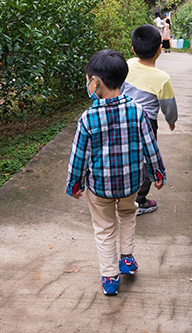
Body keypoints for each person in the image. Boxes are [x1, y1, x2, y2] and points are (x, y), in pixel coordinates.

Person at [66, 49, 166, 296]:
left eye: (88, 79)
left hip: (100, 187)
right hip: (131, 183)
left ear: (96, 82)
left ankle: (110, 277)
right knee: (127, 215)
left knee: (104, 227)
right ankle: (127, 259)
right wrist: (158, 173)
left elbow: (80, 156)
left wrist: (74, 184)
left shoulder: (88, 118)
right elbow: (149, 145)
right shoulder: (137, 111)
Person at [121, 24, 178, 215]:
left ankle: (119, 194)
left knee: (123, 154)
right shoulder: (162, 78)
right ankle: (138, 201)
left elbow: (118, 89)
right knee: (145, 158)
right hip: (146, 123)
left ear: (133, 49)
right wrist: (171, 120)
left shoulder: (127, 65)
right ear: (160, 49)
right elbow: (168, 106)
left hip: (122, 117)